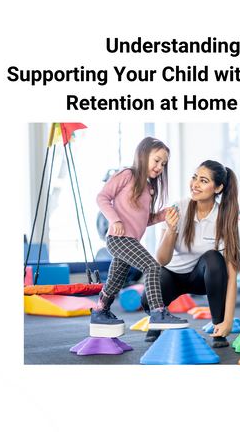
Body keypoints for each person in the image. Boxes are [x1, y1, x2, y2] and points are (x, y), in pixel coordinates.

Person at [91, 136, 189, 337]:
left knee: (115, 281)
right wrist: (114, 220)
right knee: (152, 266)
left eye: (163, 163)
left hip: (130, 241)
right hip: (119, 238)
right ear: (143, 156)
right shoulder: (127, 175)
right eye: (157, 160)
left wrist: (163, 215)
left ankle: (100, 310)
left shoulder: (149, 189)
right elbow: (102, 197)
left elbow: (145, 219)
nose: (160, 166)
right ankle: (158, 312)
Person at [141, 160, 240, 348]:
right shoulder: (178, 208)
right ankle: (157, 318)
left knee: (214, 258)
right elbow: (162, 260)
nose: (195, 184)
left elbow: (232, 275)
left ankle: (218, 327)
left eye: (203, 181)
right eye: (194, 178)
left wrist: (228, 321)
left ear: (218, 188)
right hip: (171, 275)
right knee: (147, 298)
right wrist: (171, 229)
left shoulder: (224, 217)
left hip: (201, 279)